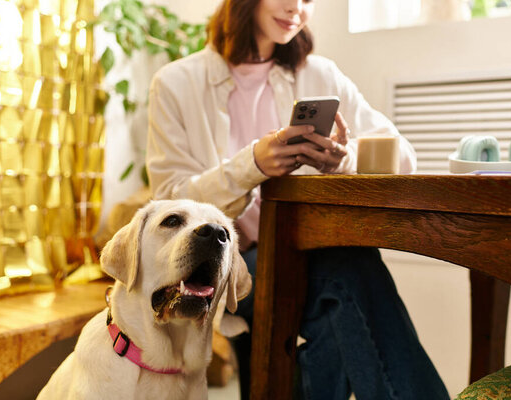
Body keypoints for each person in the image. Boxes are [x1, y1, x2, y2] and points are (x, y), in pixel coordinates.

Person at [146, 0, 449, 399]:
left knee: (335, 314)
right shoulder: (176, 83)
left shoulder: (320, 74)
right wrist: (251, 164)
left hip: (310, 250)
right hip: (230, 263)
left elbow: (404, 156)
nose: (296, 8)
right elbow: (167, 203)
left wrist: (346, 159)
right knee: (347, 269)